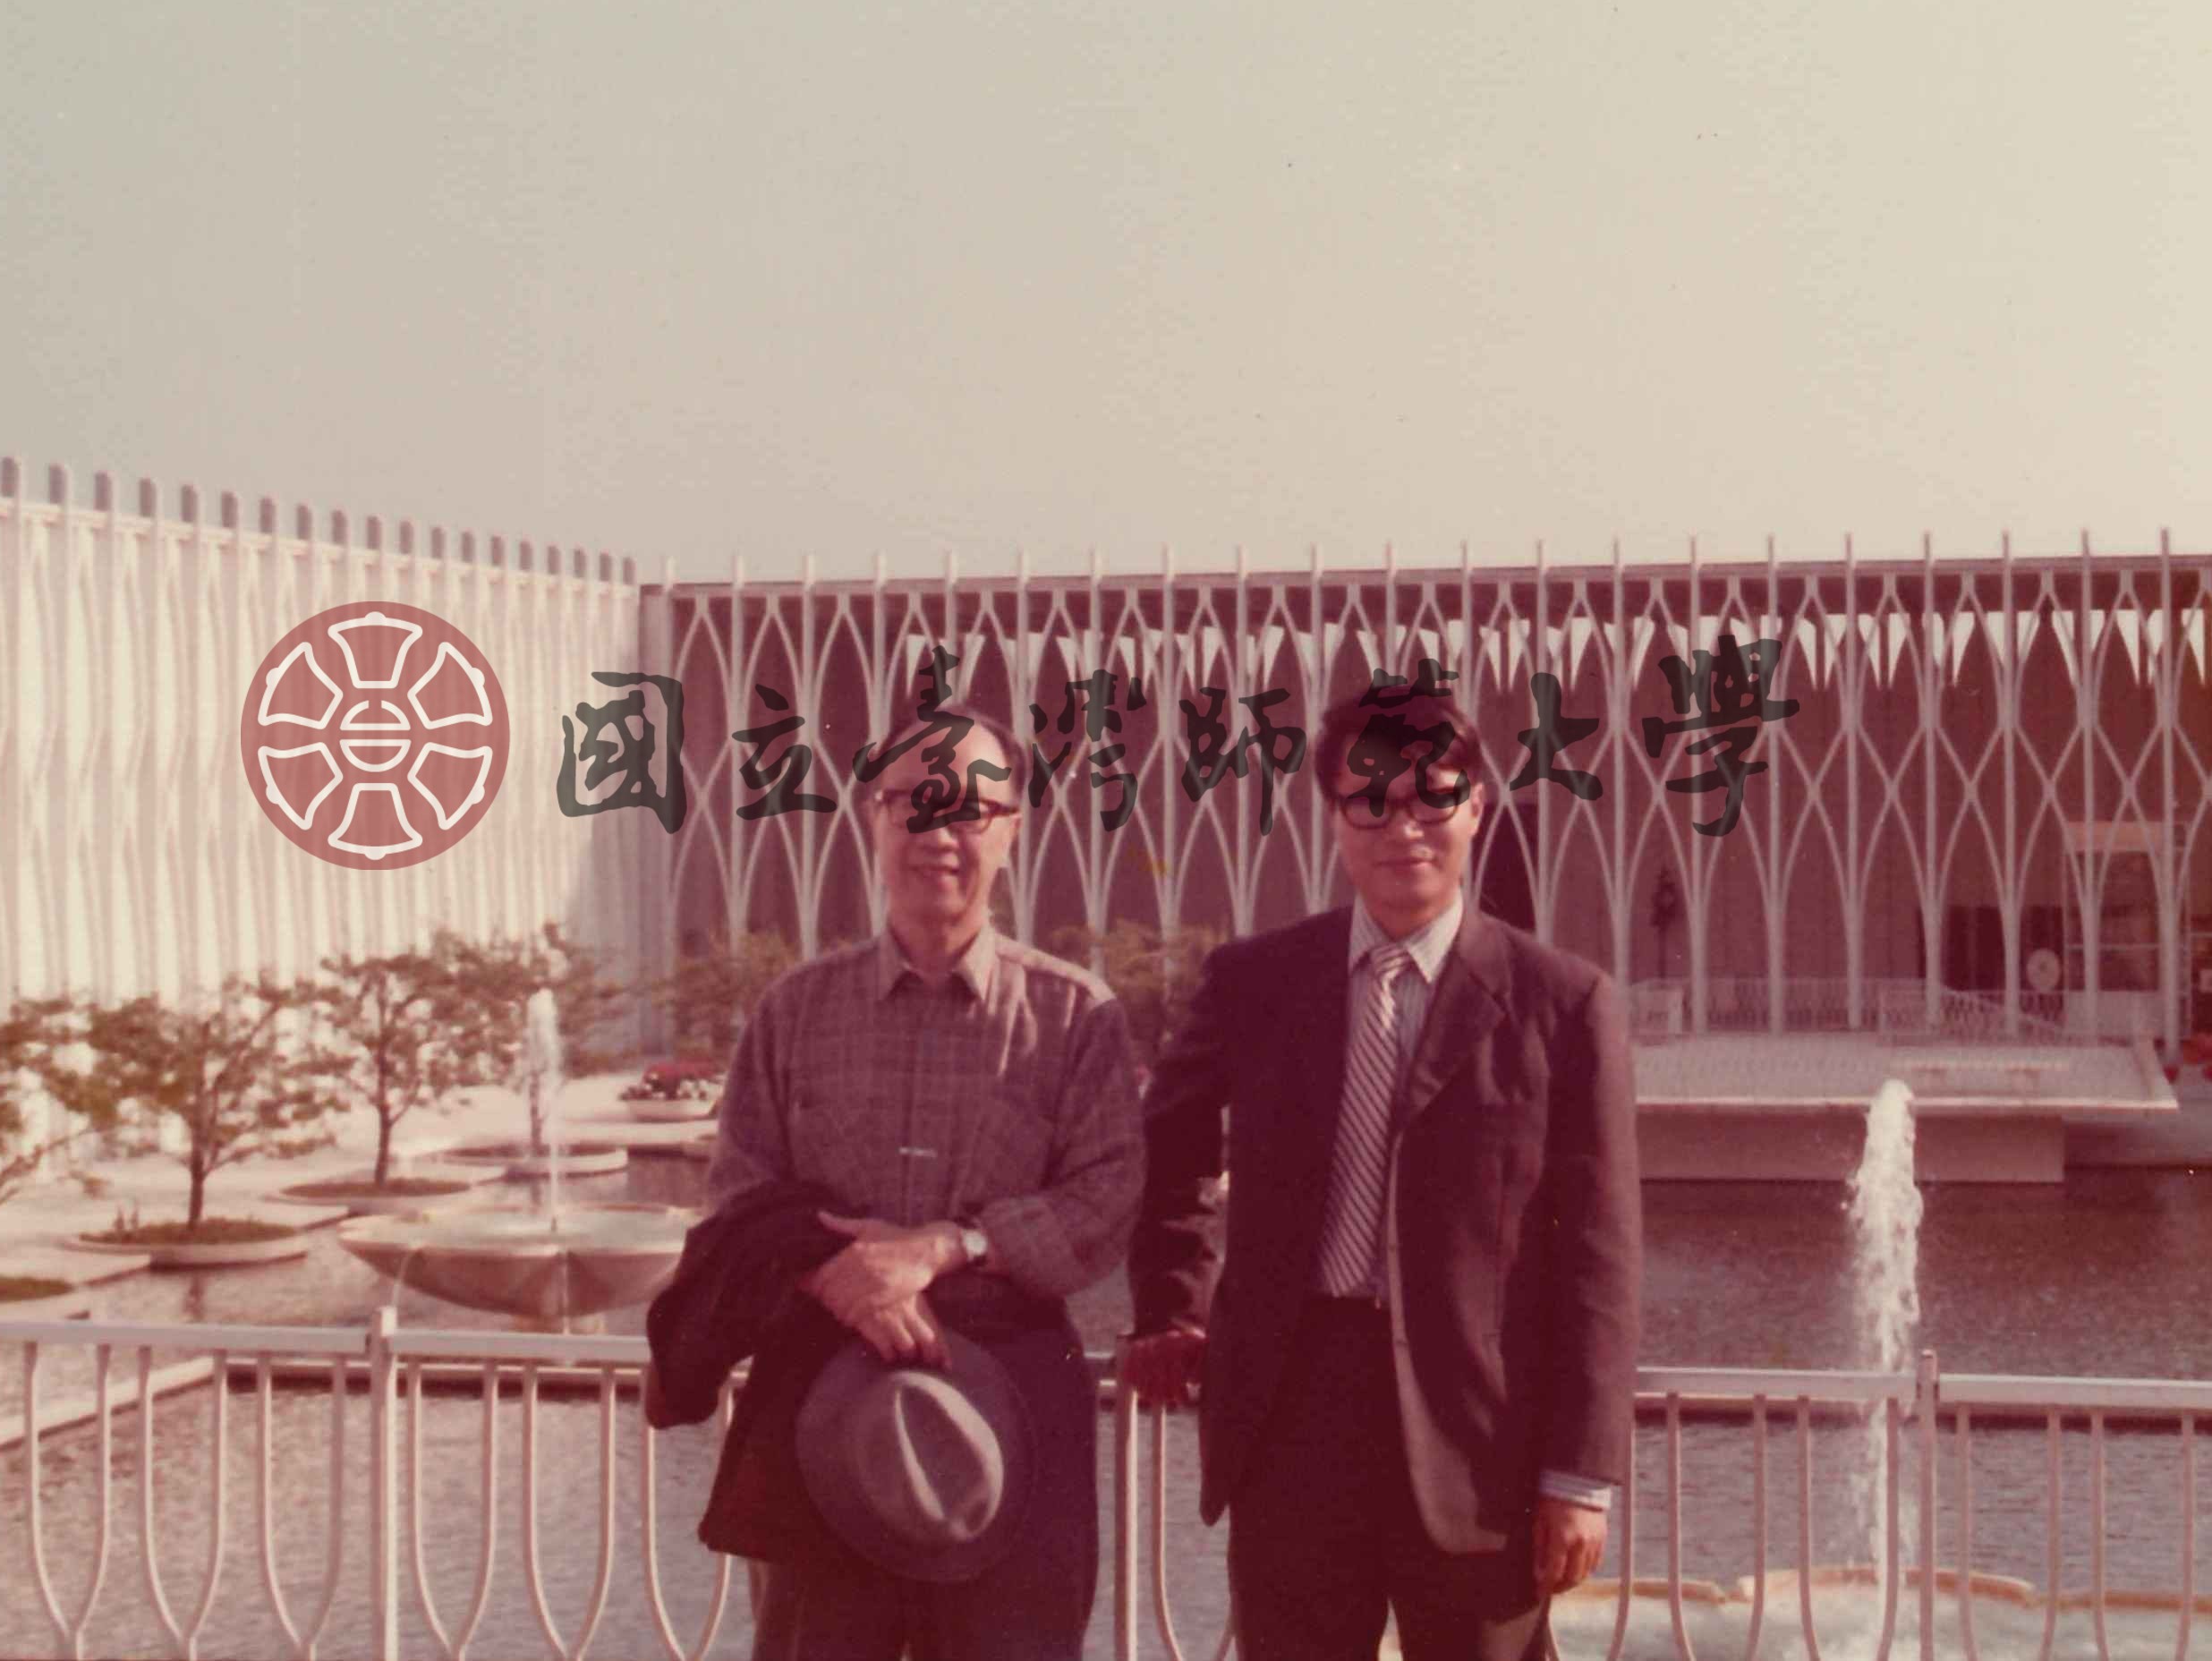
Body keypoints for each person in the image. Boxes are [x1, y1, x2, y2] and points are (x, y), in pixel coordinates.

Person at [1121, 692, 1641, 1661]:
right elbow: (1170, 1143)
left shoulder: (1562, 1003)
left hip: (1479, 1442)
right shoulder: (1256, 982)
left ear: (1475, 807)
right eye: (1371, 801)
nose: (1403, 827)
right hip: (1290, 1419)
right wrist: (1173, 1301)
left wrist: (1580, 1476)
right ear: (1334, 816)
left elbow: (1599, 1255)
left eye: (1431, 797)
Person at [697, 697, 1144, 1661]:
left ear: (1012, 831)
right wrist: (841, 1278)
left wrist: (949, 1248)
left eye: (970, 808)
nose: (940, 832)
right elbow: (738, 1189)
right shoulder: (794, 1010)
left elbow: (1105, 1200)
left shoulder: (1077, 1016)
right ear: (876, 818)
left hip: (1014, 1403)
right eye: (914, 803)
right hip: (823, 1405)